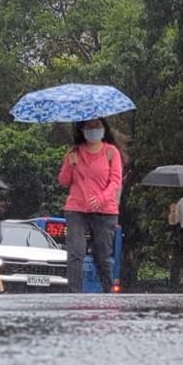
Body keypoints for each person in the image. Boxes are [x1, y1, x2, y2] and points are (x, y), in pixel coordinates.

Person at [57, 118, 124, 293]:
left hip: (104, 210)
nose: (93, 129)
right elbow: (63, 181)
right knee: (75, 252)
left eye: (97, 126)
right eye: (89, 126)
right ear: (82, 130)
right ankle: (74, 293)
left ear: (103, 128)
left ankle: (108, 291)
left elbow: (115, 181)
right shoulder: (74, 152)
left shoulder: (111, 152)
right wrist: (70, 165)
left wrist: (101, 198)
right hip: (77, 208)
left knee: (102, 255)